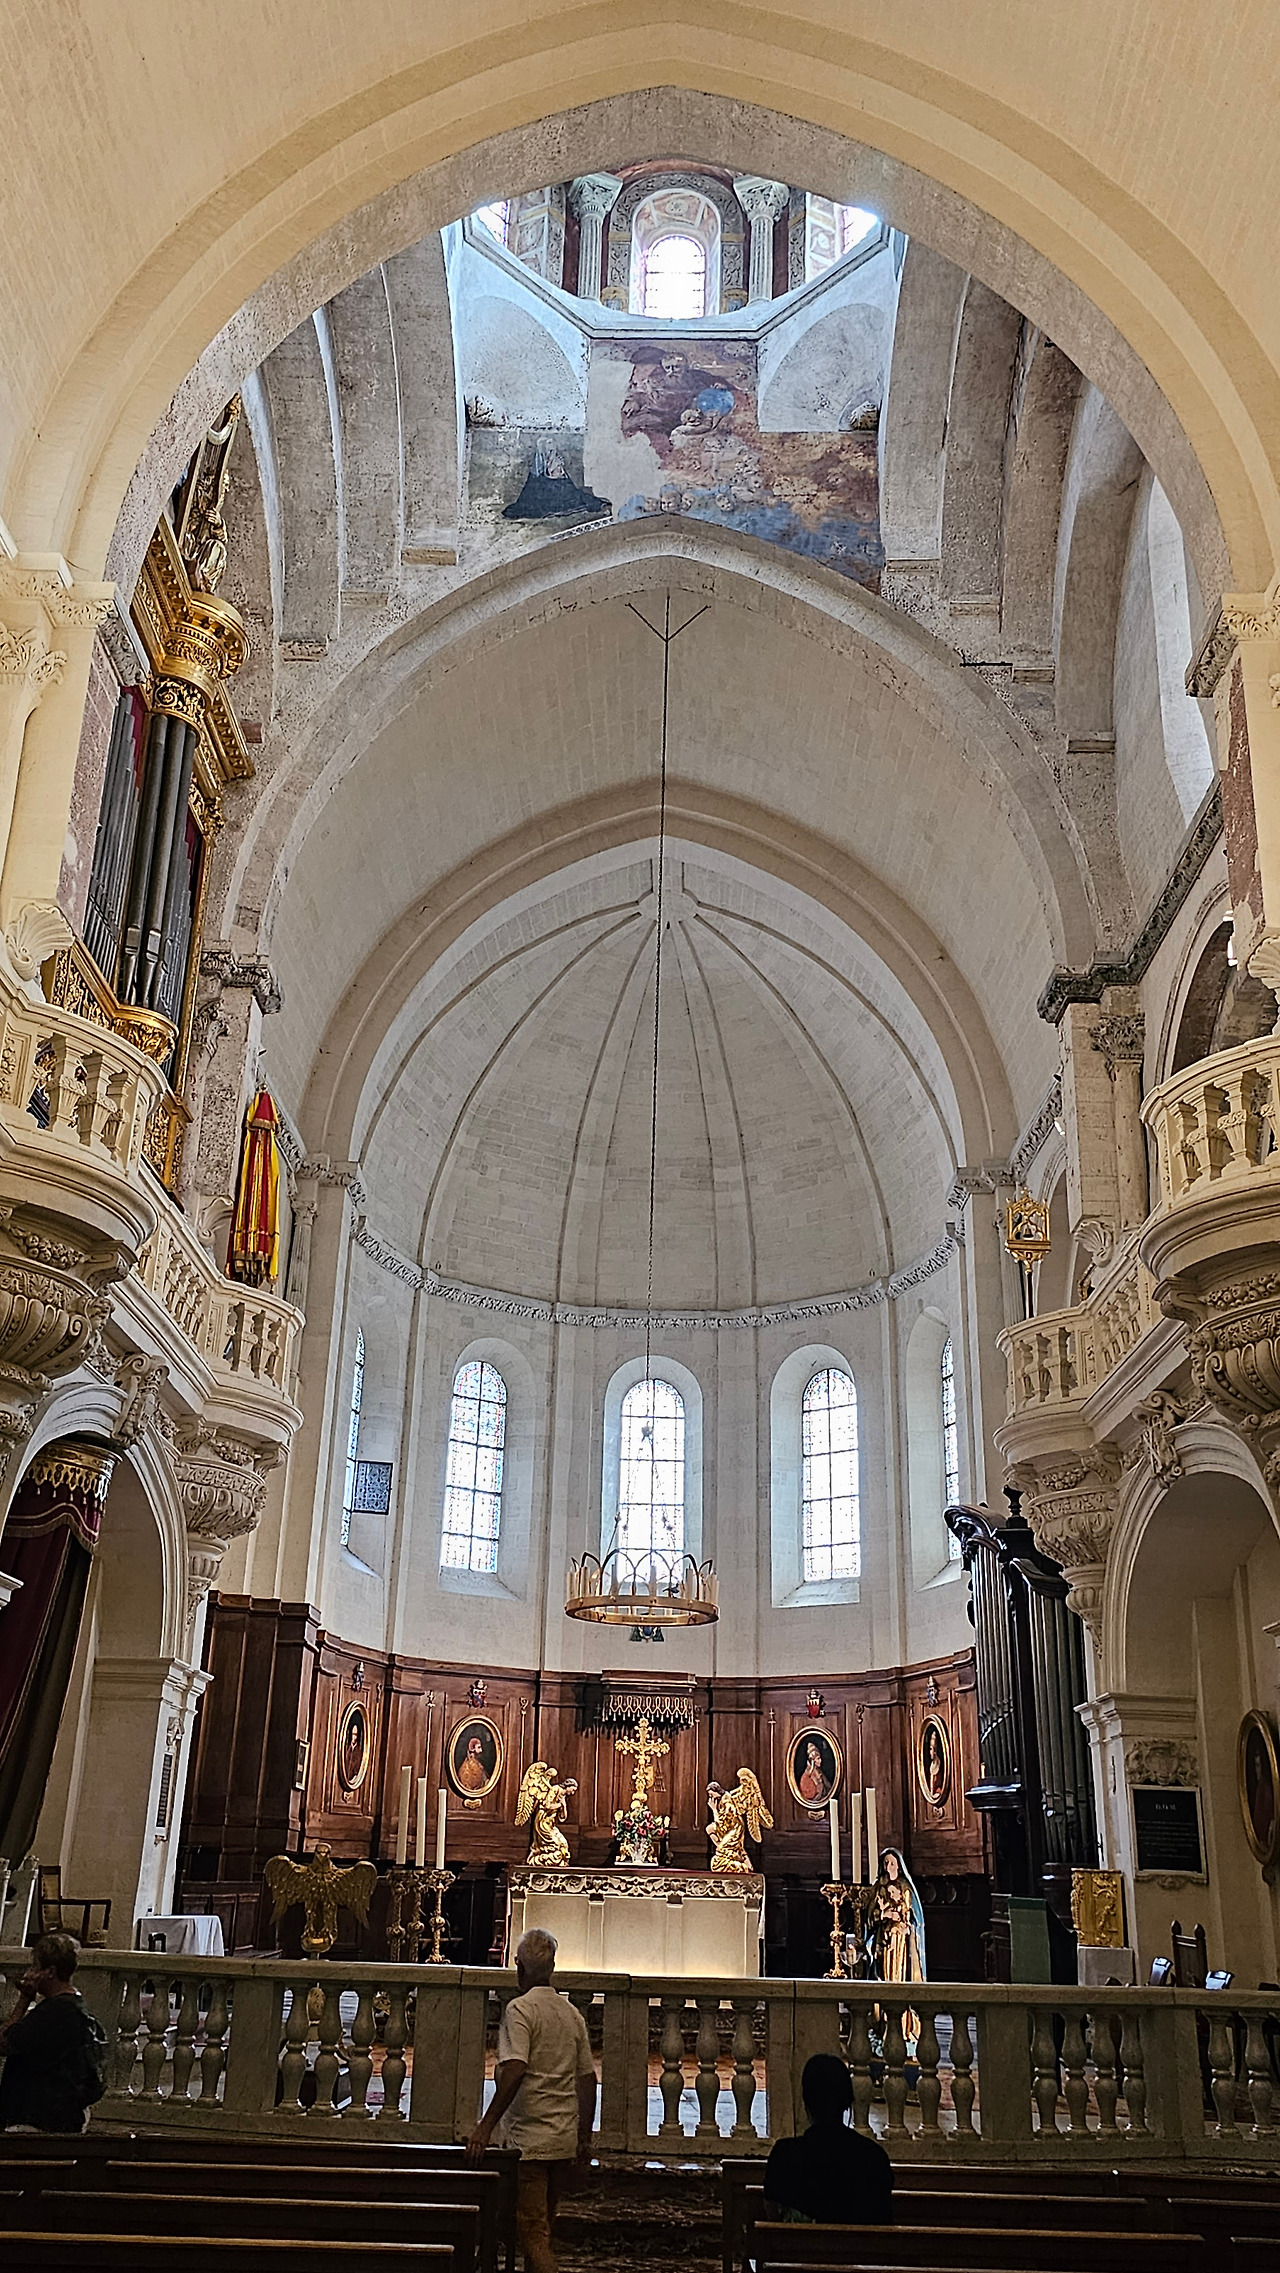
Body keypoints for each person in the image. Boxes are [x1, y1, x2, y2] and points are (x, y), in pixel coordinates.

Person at [467, 1927, 595, 2273]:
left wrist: (485, 2126)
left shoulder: (520, 2010)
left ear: (519, 1968)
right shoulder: (571, 2013)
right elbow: (587, 2080)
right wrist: (584, 2138)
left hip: (530, 2142)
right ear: (552, 1968)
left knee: (533, 2234)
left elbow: (515, 2069)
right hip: (562, 2139)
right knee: (542, 2230)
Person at [762, 2053, 893, 2226]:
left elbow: (772, 2217)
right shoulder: (874, 2158)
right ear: (847, 2101)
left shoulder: (784, 2156)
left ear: (806, 2101)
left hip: (797, 2245)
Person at [0, 1932, 106, 2134]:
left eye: (35, 1967)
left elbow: (3, 2042)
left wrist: (24, 2000)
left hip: (39, 2120)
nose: (29, 1973)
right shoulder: (75, 2007)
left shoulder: (54, 2013)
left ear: (50, 1972)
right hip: (61, 2115)